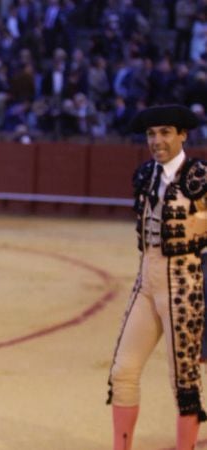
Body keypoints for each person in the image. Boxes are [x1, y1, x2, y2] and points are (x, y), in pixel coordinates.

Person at [107, 104, 207, 450]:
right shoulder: (144, 175)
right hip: (146, 281)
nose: (156, 140)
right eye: (151, 134)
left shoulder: (199, 176)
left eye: (165, 132)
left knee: (184, 382)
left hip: (184, 283)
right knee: (122, 372)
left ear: (182, 135)